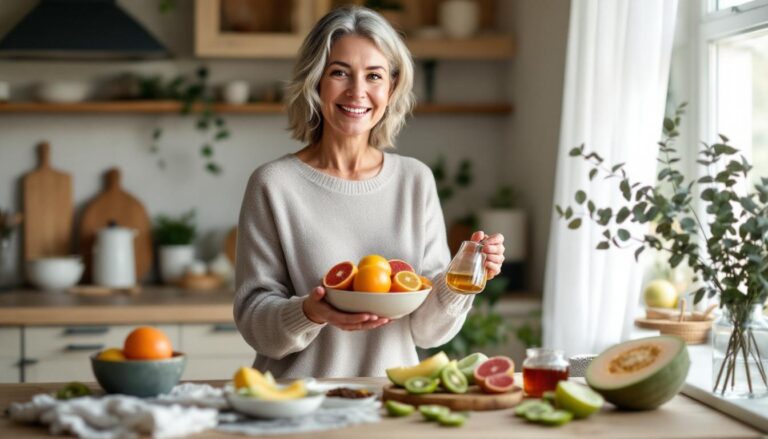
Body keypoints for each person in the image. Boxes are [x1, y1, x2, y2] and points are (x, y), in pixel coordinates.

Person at [234, 6, 505, 379]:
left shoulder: (415, 181)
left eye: (374, 76)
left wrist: (463, 279)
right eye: (340, 72)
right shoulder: (274, 184)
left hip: (390, 400)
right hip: (299, 404)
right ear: (316, 81)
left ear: (391, 88)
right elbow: (254, 323)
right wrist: (310, 312)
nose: (357, 92)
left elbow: (428, 331)